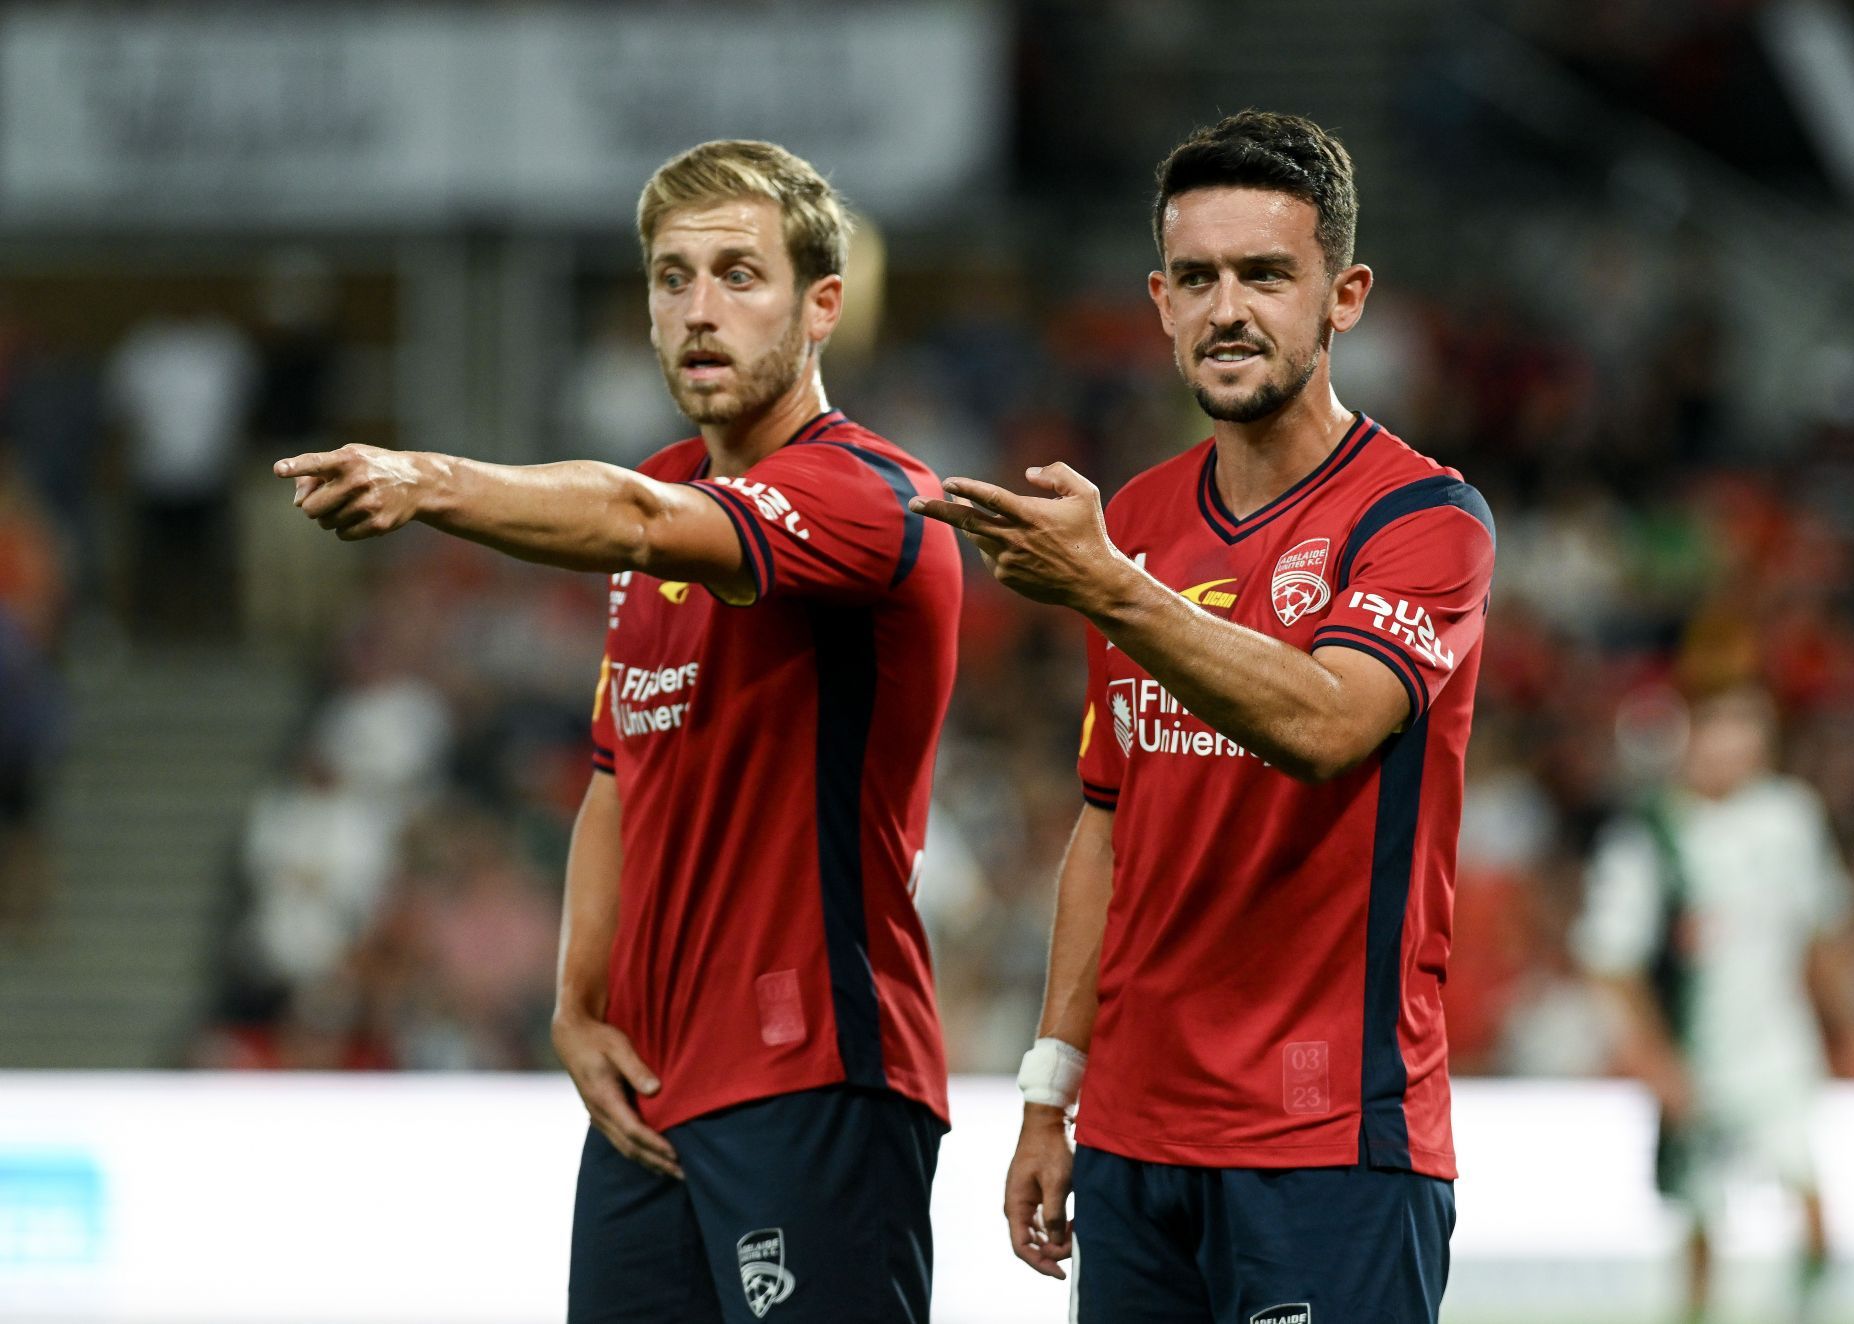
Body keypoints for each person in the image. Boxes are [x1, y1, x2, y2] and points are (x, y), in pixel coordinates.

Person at [274, 139, 961, 1323]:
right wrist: (578, 1002)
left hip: (814, 1065)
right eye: (670, 276)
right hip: (652, 1085)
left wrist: (429, 477)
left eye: (739, 275)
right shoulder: (662, 490)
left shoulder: (869, 496)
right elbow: (618, 775)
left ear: (821, 307)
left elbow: (643, 519)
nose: (698, 310)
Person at [913, 110, 1494, 1323]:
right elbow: (1106, 824)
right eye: (1198, 278)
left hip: (1328, 1137)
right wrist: (1048, 1091)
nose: (1229, 308)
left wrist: (1112, 588)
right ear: (1161, 304)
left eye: (1267, 274)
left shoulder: (1423, 519)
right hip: (1133, 1142)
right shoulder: (1132, 517)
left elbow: (1332, 722)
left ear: (1345, 297)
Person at [1576, 685, 1854, 1324]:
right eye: (1721, 732)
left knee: (1817, 1216)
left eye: (1748, 734)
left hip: (1778, 1053)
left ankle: (1805, 1310)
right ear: (1690, 739)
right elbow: (1609, 959)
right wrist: (1654, 1059)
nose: (1735, 749)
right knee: (1702, 1229)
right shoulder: (1653, 834)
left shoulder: (1792, 818)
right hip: (1697, 1056)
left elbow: (1822, 931)